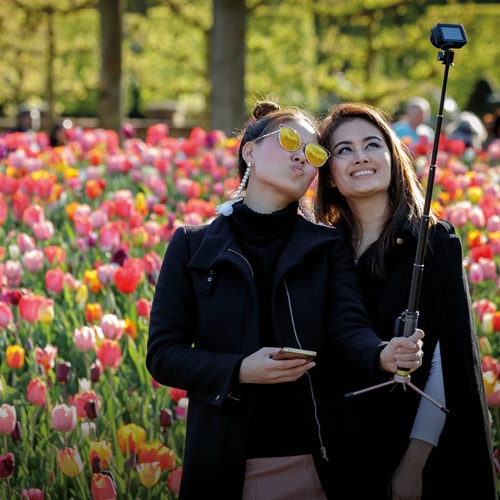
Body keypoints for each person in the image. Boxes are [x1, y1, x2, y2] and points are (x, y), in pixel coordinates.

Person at [146, 100, 424, 499]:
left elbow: (348, 328)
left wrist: (381, 353)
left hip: (316, 461)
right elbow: (163, 354)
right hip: (223, 464)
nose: (301, 156)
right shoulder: (193, 247)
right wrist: (241, 369)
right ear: (250, 151)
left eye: (314, 153)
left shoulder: (327, 246)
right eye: (290, 139)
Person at [315, 101, 497, 500]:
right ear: (328, 176)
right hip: (344, 447)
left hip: (416, 448)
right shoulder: (324, 250)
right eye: (343, 150)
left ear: (392, 157)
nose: (359, 156)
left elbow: (444, 361)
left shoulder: (430, 241)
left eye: (371, 144)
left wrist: (413, 464)